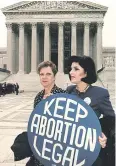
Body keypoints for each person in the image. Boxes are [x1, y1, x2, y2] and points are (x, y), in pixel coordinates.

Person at [26, 60, 107, 166]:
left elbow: (79, 124)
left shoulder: (64, 96)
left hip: (58, 152)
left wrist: (98, 136)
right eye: (41, 74)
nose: (44, 77)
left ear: (54, 76)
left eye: (48, 74)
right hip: (41, 150)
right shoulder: (38, 97)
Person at [66, 55, 115, 166]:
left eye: (76, 69)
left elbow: (111, 119)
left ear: (86, 73)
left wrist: (103, 135)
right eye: (71, 68)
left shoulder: (100, 93)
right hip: (71, 150)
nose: (71, 72)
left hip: (90, 149)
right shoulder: (69, 91)